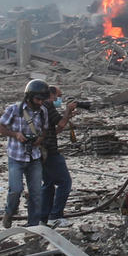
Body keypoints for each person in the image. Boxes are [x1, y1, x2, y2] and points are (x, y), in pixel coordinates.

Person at [0, 80, 57, 225]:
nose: (40, 102)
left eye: (43, 100)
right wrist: (16, 134)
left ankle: (33, 226)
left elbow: (45, 130)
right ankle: (9, 212)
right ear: (29, 97)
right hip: (16, 156)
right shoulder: (14, 110)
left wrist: (39, 139)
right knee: (15, 190)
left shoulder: (43, 112)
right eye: (38, 99)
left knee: (36, 194)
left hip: (34, 157)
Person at [39, 85, 77, 224]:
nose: (58, 99)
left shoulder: (40, 107)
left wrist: (67, 116)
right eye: (58, 96)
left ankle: (44, 217)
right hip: (50, 151)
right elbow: (60, 122)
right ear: (51, 94)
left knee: (48, 183)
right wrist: (67, 110)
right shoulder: (48, 105)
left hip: (41, 151)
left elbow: (55, 130)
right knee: (65, 182)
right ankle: (56, 216)